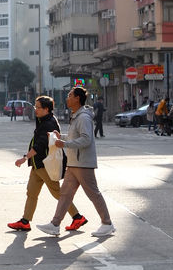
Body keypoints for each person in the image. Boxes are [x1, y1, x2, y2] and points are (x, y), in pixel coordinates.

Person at [36, 86, 116, 238]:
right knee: (65, 194)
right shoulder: (76, 116)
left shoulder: (84, 117)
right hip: (74, 163)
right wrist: (62, 137)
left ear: (77, 98)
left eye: (70, 95)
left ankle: (107, 223)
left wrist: (64, 144)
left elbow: (86, 139)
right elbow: (75, 137)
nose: (67, 98)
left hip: (83, 163)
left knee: (93, 193)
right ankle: (54, 224)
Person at [8, 95, 85, 232]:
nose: (35, 110)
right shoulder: (42, 120)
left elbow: (39, 146)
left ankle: (77, 217)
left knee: (58, 194)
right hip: (37, 166)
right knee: (31, 193)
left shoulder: (49, 123)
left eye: (38, 107)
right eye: (35, 107)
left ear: (47, 109)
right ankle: (25, 221)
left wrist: (24, 158)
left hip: (45, 165)